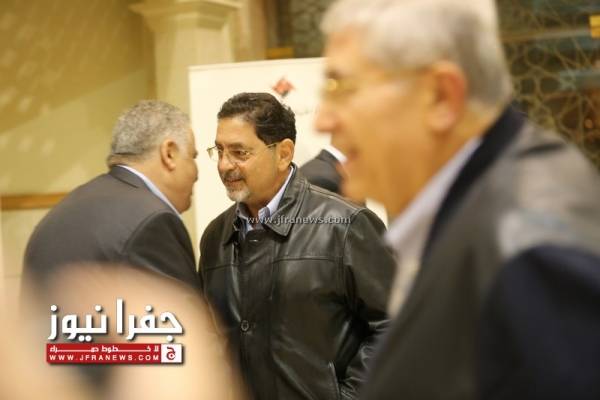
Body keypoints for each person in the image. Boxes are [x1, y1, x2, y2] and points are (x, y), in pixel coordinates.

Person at [316, 1, 600, 399]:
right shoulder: (479, 206)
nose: (322, 120)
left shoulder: (530, 256)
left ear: (440, 97)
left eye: (341, 88)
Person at [199, 92, 396, 400]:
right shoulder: (215, 236)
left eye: (239, 152)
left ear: (283, 153)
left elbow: (394, 326)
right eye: (220, 151)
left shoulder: (345, 226)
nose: (225, 165)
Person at [23, 100, 200, 293]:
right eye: (192, 157)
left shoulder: (57, 215)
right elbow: (180, 311)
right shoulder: (154, 221)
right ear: (169, 153)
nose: (196, 173)